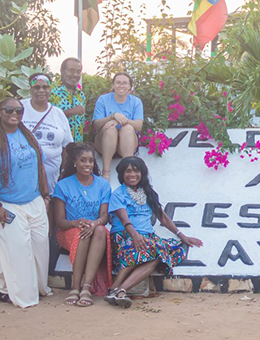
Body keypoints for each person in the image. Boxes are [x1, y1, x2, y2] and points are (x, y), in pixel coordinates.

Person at [0, 97, 52, 308]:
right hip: (5, 202)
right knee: (18, 249)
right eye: (9, 109)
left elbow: (39, 165)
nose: (15, 113)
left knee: (39, 247)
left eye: (19, 110)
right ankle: (20, 295)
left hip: (33, 199)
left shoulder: (26, 135)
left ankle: (9, 287)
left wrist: (45, 195)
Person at [105, 156, 203, 308]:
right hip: (124, 235)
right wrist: (136, 236)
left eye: (136, 171)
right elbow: (125, 220)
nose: (132, 174)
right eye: (128, 171)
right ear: (122, 174)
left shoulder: (148, 193)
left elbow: (162, 217)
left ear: (142, 173)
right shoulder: (118, 194)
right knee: (148, 248)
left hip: (146, 236)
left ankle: (118, 290)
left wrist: (182, 235)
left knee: (158, 253)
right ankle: (116, 289)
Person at [53, 143, 113, 307]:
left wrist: (95, 223)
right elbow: (60, 221)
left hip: (95, 230)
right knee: (83, 233)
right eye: (83, 160)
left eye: (91, 161)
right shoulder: (63, 185)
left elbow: (104, 216)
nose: (87, 164)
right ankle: (75, 287)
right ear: (74, 162)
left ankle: (86, 287)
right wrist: (76, 222)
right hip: (69, 230)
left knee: (100, 230)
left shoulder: (102, 185)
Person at [21, 73, 73, 193]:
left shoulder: (58, 114)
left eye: (45, 87)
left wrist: (64, 172)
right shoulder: (19, 108)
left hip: (51, 181)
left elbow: (67, 146)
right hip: (22, 179)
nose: (41, 90)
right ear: (30, 89)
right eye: (37, 87)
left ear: (50, 89)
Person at [93, 72, 144, 180]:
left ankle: (128, 170)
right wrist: (112, 116)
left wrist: (122, 121)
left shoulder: (136, 102)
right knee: (110, 129)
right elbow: (96, 125)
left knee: (128, 128)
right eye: (118, 82)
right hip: (104, 142)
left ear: (130, 86)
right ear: (113, 85)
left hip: (126, 143)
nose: (121, 85)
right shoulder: (103, 100)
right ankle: (106, 171)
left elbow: (138, 126)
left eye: (125, 83)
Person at [50, 57, 87, 142]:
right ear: (62, 71)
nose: (75, 74)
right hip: (57, 145)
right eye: (71, 70)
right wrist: (70, 112)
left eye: (78, 72)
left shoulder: (81, 95)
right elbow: (45, 117)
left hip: (77, 145)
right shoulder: (51, 92)